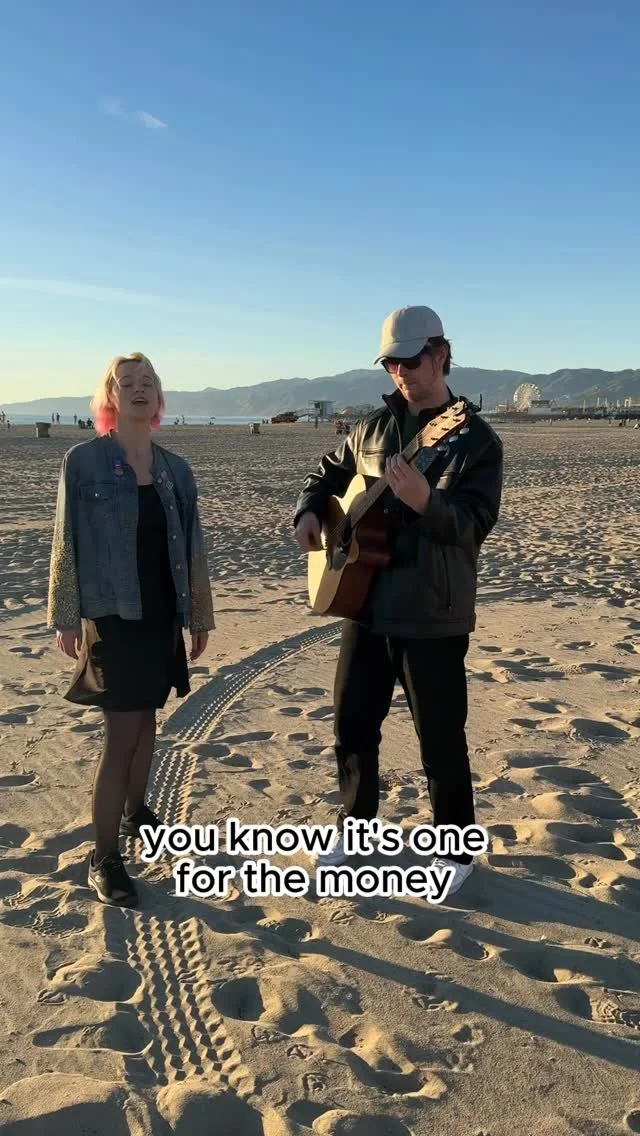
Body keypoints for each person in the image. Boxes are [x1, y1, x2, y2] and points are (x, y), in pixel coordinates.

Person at [293, 306, 503, 895]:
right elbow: (328, 474)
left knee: (440, 738)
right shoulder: (372, 428)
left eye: (411, 361)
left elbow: (474, 524)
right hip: (363, 602)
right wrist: (309, 511)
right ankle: (355, 829)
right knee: (353, 726)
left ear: (441, 354)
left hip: (433, 611)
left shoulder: (475, 441)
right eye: (391, 364)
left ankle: (456, 850)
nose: (401, 373)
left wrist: (426, 503)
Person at [47, 352, 214, 907]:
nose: (139, 389)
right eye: (127, 382)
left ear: (159, 398)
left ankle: (135, 810)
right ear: (111, 397)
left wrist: (198, 616)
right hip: (113, 615)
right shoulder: (84, 461)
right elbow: (65, 538)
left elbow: (192, 547)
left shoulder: (175, 470)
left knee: (146, 721)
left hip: (162, 613)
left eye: (148, 382)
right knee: (121, 733)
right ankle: (104, 856)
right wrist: (65, 615)